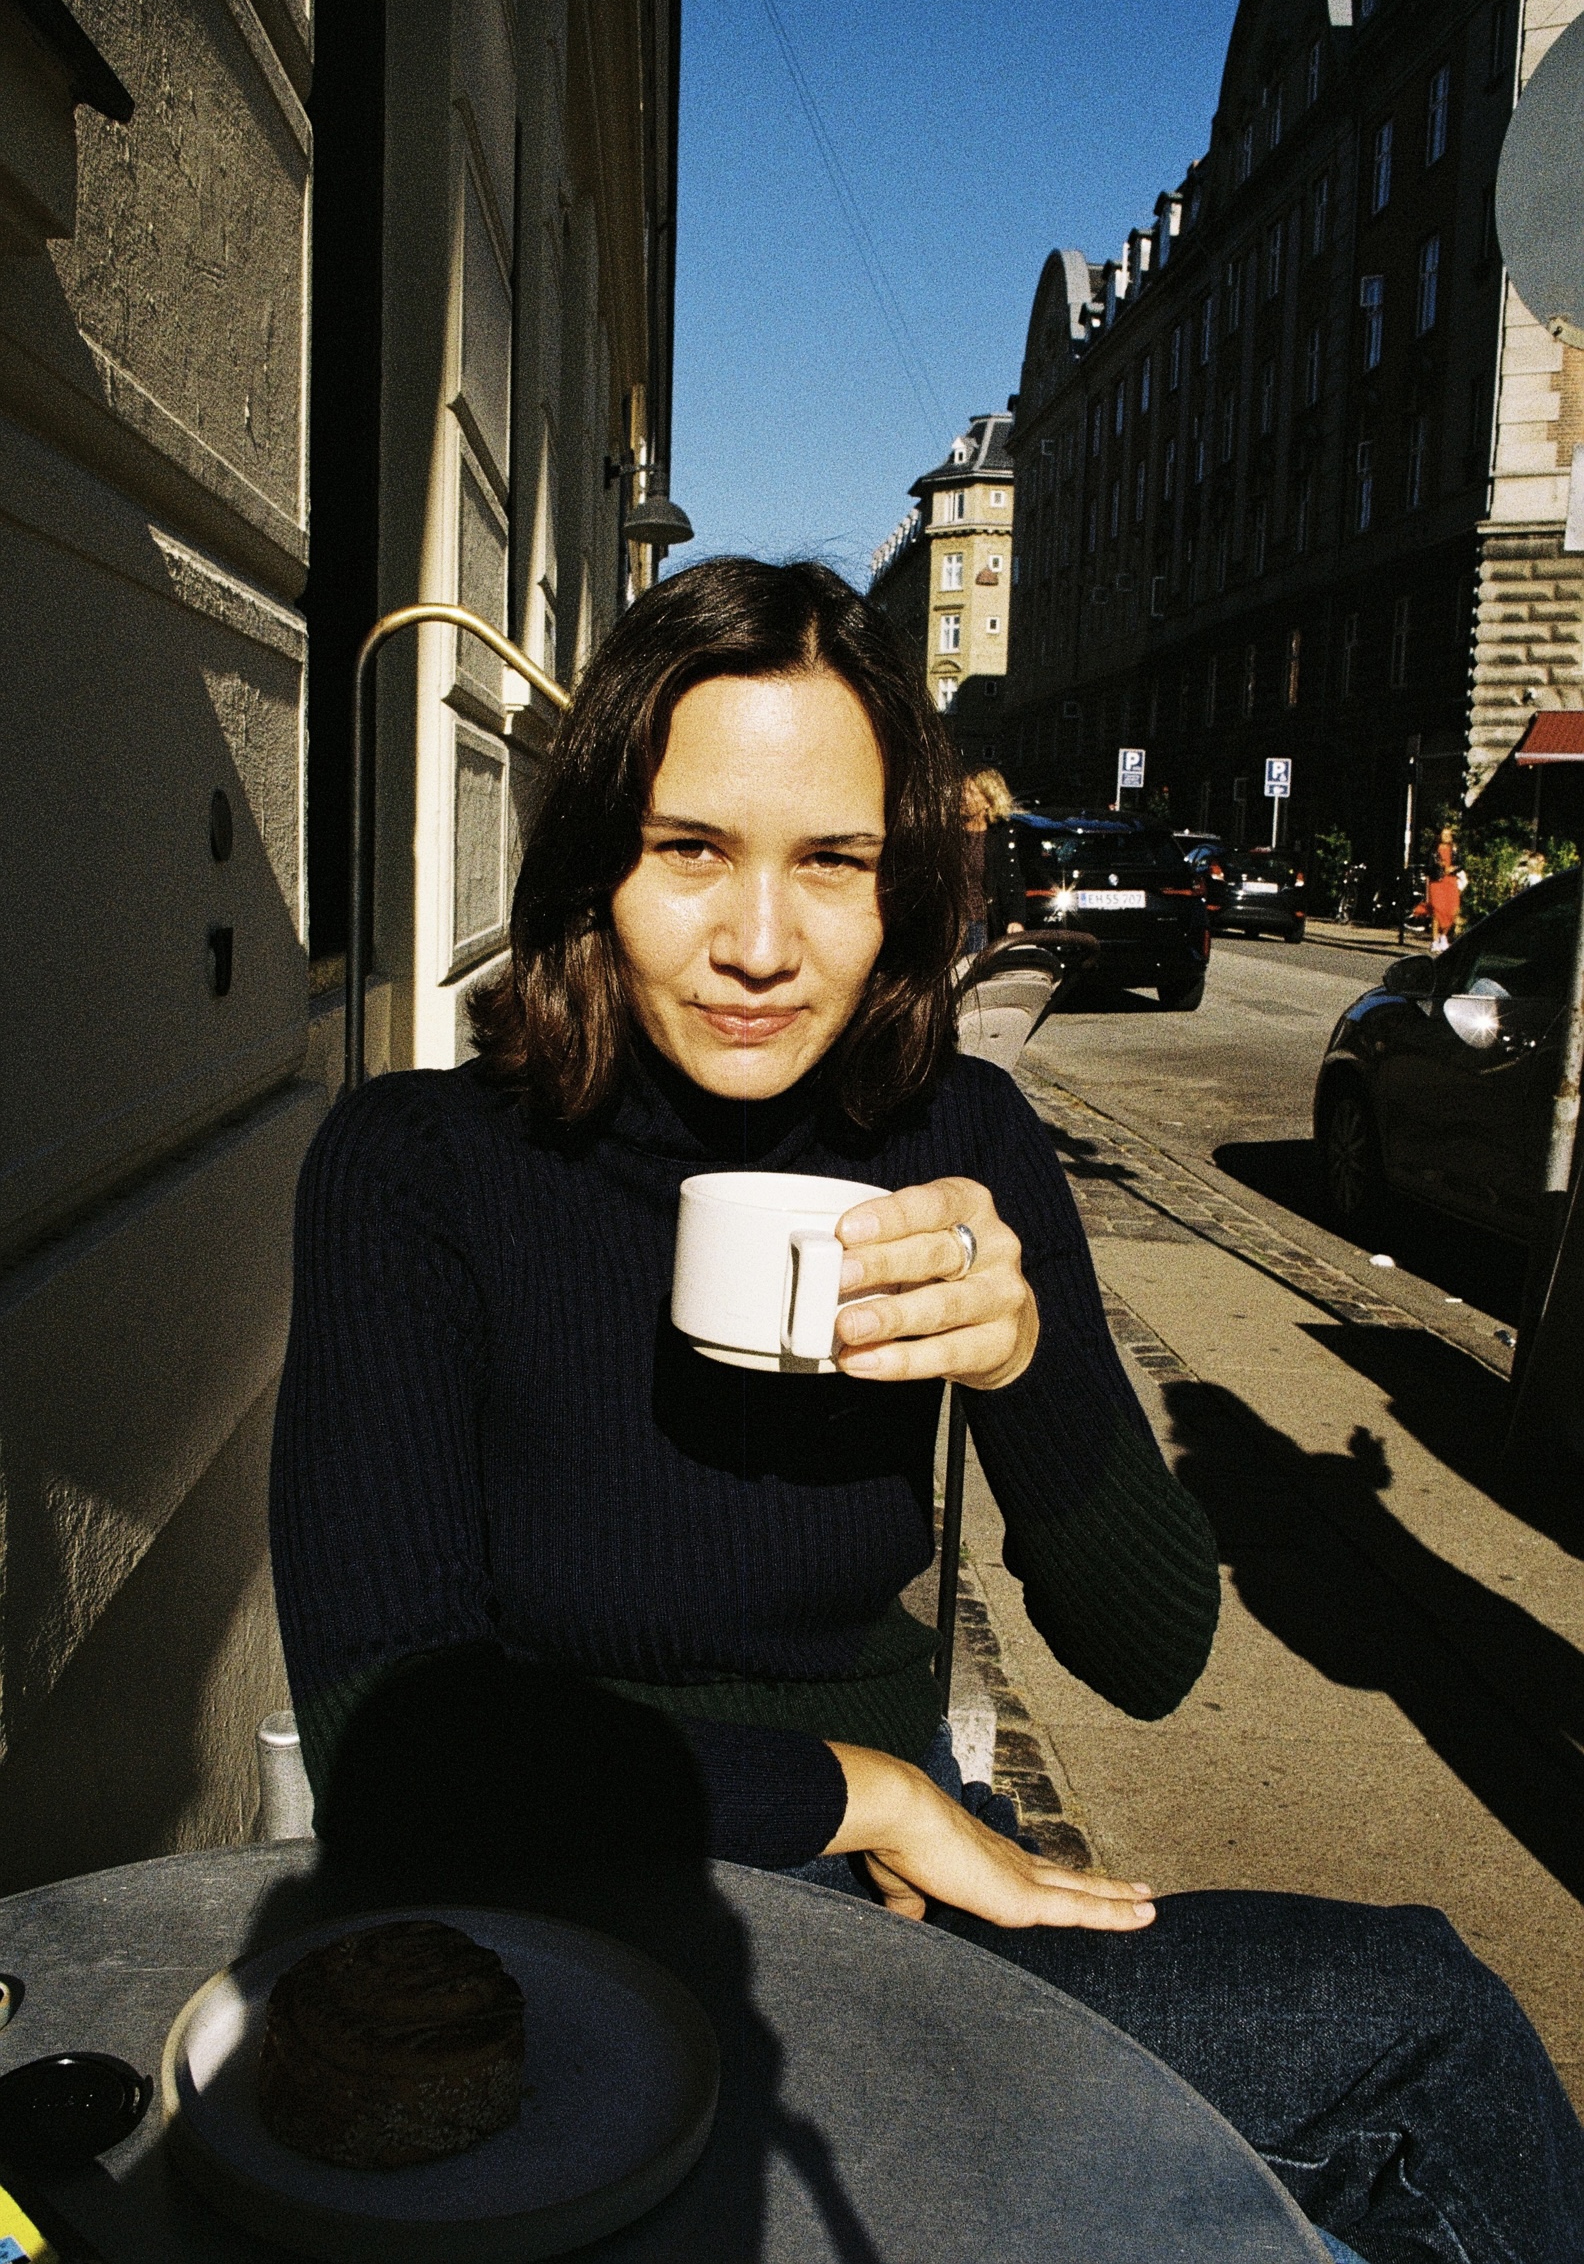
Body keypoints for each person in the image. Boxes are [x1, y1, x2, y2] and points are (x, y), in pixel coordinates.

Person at [272, 558, 1584, 2263]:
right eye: (690, 851)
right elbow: (393, 1741)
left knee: (1423, 2012)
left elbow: (1153, 1650)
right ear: (597, 862)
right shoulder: (419, 1170)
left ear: (900, 885)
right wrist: (867, 1794)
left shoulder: (958, 1138)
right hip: (562, 1922)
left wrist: (1025, 1362)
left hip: (900, 1908)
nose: (759, 945)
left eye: (829, 861)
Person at [959, 765, 1026, 959]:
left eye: (972, 792)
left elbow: (1013, 880)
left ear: (988, 801)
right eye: (963, 790)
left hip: (979, 924)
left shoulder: (1000, 835)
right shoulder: (949, 832)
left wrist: (1016, 919)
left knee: (975, 973)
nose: (964, 797)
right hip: (949, 925)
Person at [1426, 825, 1465, 953]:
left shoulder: (1455, 849)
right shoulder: (1433, 850)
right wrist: (1440, 867)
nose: (1447, 837)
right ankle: (1434, 940)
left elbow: (1460, 863)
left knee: (1452, 910)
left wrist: (1453, 868)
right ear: (1439, 836)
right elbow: (1429, 867)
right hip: (1437, 882)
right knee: (1438, 911)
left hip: (1451, 882)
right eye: (1444, 834)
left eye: (1449, 835)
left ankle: (1443, 936)